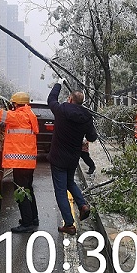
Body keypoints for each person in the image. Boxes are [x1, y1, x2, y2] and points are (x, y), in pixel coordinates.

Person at [0, 91, 39, 233]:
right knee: (28, 190)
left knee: (21, 191)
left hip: (20, 162)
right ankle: (33, 218)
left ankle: (27, 223)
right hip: (28, 162)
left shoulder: (17, 115)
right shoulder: (29, 115)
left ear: (15, 104)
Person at [47, 79, 98, 235]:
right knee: (70, 182)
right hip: (72, 158)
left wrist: (57, 84)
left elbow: (51, 99)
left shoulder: (62, 110)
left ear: (70, 99)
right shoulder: (86, 117)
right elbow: (93, 136)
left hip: (58, 158)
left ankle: (69, 224)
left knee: (61, 191)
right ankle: (82, 205)